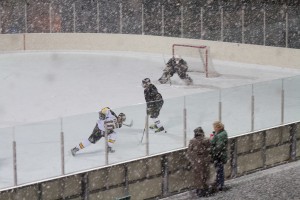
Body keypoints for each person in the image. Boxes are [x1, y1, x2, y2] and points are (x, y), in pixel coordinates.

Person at [186, 127, 211, 197]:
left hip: (197, 162)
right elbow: (210, 149)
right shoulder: (207, 140)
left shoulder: (192, 141)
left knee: (198, 176)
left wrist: (193, 159)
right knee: (206, 175)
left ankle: (199, 191)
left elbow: (189, 152)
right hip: (205, 161)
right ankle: (206, 190)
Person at [210, 121, 228, 191]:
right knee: (219, 170)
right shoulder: (221, 134)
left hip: (219, 156)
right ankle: (219, 184)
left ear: (218, 127)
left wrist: (212, 142)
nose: (214, 129)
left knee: (219, 170)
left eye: (214, 127)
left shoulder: (221, 135)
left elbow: (219, 146)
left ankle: (220, 185)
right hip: (220, 155)